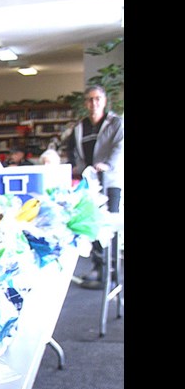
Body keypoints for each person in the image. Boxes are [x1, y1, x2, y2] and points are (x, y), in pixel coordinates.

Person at [67, 84, 124, 289]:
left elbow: (119, 147)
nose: (94, 103)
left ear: (104, 100)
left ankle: (113, 268)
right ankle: (99, 266)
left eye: (97, 99)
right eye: (90, 99)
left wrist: (107, 165)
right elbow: (73, 152)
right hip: (90, 183)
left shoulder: (115, 123)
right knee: (93, 223)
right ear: (85, 103)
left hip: (110, 182)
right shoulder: (79, 127)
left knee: (109, 224)